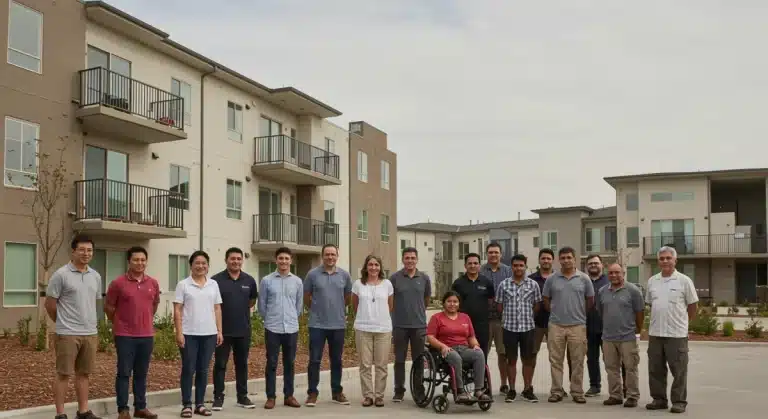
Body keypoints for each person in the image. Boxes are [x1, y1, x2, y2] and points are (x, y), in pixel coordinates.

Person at [46, 235, 102, 419]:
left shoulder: (95, 276)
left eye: (89, 250)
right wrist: (62, 322)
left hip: (90, 333)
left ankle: (83, 411)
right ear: (73, 251)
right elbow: (50, 304)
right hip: (67, 334)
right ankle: (60, 414)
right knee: (63, 374)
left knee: (84, 374)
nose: (86, 253)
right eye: (82, 250)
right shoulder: (61, 275)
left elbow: (93, 303)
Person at [105, 246, 160, 419]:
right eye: (136, 260)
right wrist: (121, 323)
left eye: (143, 260)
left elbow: (154, 305)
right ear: (129, 261)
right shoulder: (118, 283)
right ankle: (123, 409)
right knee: (124, 373)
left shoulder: (152, 283)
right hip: (125, 336)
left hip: (146, 335)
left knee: (142, 373)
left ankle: (140, 407)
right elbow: (109, 308)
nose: (140, 263)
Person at [645, 246, 698, 414]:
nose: (665, 261)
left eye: (668, 258)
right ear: (658, 261)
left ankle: (679, 401)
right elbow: (651, 304)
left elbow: (692, 306)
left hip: (676, 335)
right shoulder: (652, 281)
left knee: (679, 370)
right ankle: (659, 399)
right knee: (655, 370)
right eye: (662, 258)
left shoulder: (684, 281)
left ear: (675, 260)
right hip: (655, 334)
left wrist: (684, 323)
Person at [173, 251, 223, 417]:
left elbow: (217, 308)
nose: (201, 266)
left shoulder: (213, 284)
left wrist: (219, 331)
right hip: (189, 334)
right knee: (188, 368)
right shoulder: (183, 285)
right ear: (191, 265)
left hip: (209, 333)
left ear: (208, 266)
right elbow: (177, 310)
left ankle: (200, 404)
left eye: (204, 263)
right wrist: (179, 332)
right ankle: (187, 404)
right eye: (197, 263)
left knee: (203, 370)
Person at [542, 246, 595, 404]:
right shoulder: (552, 279)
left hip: (577, 326)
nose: (566, 261)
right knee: (555, 360)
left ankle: (577, 391)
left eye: (569, 258)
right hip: (556, 325)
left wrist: (579, 314)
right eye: (563, 258)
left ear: (575, 259)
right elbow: (546, 299)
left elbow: (590, 300)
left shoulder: (584, 278)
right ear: (559, 260)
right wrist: (555, 311)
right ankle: (557, 391)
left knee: (578, 360)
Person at [303, 244, 353, 406]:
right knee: (315, 360)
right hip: (317, 325)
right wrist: (317, 309)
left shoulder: (344, 276)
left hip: (338, 325)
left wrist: (336, 309)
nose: (330, 257)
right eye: (327, 254)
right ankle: (312, 393)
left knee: (337, 360)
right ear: (322, 256)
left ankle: (337, 392)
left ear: (337, 256)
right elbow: (307, 297)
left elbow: (347, 298)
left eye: (333, 254)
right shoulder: (312, 275)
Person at [211, 247, 258, 410]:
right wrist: (218, 329)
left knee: (242, 364)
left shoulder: (249, 280)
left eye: (239, 259)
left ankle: (242, 397)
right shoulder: (216, 280)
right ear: (226, 260)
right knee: (220, 365)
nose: (236, 261)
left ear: (242, 261)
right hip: (222, 332)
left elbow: (252, 302)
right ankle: (218, 397)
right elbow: (212, 305)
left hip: (243, 330)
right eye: (232, 259)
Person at [258, 247, 303, 409]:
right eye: (281, 258)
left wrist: (291, 317)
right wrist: (270, 319)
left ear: (290, 260)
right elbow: (261, 306)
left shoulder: (297, 282)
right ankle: (271, 397)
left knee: (290, 363)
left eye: (286, 258)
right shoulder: (267, 281)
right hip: (272, 328)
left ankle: (289, 396)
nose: (283, 261)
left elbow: (299, 306)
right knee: (271, 363)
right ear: (276, 260)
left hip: (291, 328)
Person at [426, 291, 490, 402]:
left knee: (479, 354)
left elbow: (471, 337)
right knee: (456, 357)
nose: (452, 304)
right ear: (444, 303)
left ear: (459, 303)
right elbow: (430, 337)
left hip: (464, 348)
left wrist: (475, 345)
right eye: (449, 301)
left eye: (455, 301)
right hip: (447, 349)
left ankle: (478, 390)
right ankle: (460, 391)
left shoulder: (465, 317)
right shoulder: (436, 318)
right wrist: (442, 346)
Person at [597, 263, 644, 408]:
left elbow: (640, 312)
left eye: (617, 273)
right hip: (608, 337)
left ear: (623, 273)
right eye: (611, 273)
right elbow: (600, 311)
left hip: (627, 337)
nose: (614, 276)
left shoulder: (633, 291)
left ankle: (632, 396)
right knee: (611, 368)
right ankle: (615, 395)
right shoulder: (602, 291)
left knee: (631, 367)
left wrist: (637, 330)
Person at [496, 254, 542, 403]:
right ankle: (512, 389)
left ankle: (527, 389)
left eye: (521, 265)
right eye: (515, 265)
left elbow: (537, 305)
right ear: (511, 267)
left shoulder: (533, 285)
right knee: (511, 360)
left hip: (527, 328)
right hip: (509, 328)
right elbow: (499, 306)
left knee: (527, 360)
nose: (518, 268)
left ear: (525, 266)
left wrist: (527, 317)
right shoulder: (504, 285)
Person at [390, 246, 432, 402]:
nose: (410, 261)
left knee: (419, 360)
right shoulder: (394, 278)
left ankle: (418, 390)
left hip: (419, 326)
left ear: (417, 260)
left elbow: (426, 299)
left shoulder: (424, 278)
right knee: (399, 360)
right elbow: (390, 301)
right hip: (400, 325)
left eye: (413, 258)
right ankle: (399, 390)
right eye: (407, 258)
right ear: (402, 259)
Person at [352, 255, 394, 407]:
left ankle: (379, 396)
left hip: (383, 329)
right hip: (363, 328)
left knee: (382, 364)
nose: (373, 267)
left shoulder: (387, 284)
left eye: (376, 264)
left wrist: (379, 318)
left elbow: (390, 306)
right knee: (365, 364)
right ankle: (368, 395)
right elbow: (355, 305)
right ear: (366, 267)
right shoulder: (358, 284)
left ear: (380, 267)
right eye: (370, 264)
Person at [481, 242, 512, 394]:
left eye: (496, 252)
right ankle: (483, 383)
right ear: (486, 254)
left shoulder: (508, 271)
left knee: (503, 353)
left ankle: (504, 383)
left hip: (503, 319)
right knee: (482, 352)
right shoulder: (480, 271)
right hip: (483, 320)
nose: (493, 255)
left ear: (501, 254)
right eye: (490, 252)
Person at [452, 252, 495, 358]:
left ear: (479, 265)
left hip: (482, 326)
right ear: (465, 265)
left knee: (482, 355)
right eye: (470, 263)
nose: (472, 266)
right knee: (463, 355)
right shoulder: (458, 283)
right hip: (462, 326)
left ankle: (482, 375)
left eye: (475, 263)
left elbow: (491, 300)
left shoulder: (487, 282)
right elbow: (453, 304)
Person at [584, 254, 609, 397]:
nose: (593, 265)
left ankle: (621, 386)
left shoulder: (609, 280)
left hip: (607, 327)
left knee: (612, 360)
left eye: (596, 263)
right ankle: (594, 386)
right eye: (590, 263)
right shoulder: (583, 280)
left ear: (602, 265)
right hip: (588, 327)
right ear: (587, 266)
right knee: (592, 359)